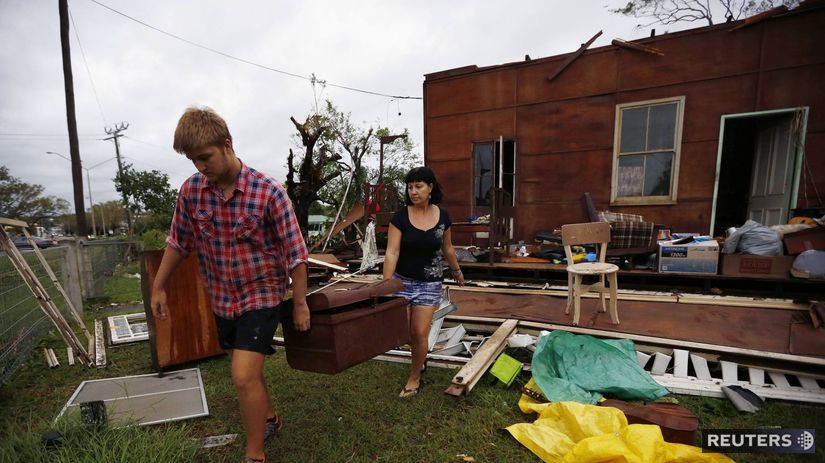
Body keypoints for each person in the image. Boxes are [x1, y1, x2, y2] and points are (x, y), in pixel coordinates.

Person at [150, 106, 309, 463]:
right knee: (246, 370)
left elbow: (296, 253)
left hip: (262, 293)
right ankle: (269, 417)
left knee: (241, 376)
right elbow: (178, 242)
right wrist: (158, 287)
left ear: (227, 144)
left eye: (205, 157)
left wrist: (299, 303)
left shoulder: (269, 192)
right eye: (193, 160)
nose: (200, 167)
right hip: (222, 297)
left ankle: (255, 454)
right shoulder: (192, 192)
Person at [382, 166, 465, 398]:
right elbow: (392, 252)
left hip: (430, 284)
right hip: (402, 281)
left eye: (418, 186)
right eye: (410, 187)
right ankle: (421, 358)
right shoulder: (400, 217)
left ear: (430, 188)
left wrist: (456, 270)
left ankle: (414, 376)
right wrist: (387, 283)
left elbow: (447, 248)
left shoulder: (444, 217)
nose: (413, 191)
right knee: (407, 333)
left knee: (419, 332)